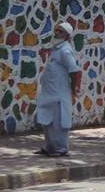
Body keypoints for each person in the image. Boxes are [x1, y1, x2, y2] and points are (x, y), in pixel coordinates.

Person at [35, 20, 82, 157]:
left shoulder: (65, 51)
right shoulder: (56, 49)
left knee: (58, 123)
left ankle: (60, 149)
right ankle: (50, 147)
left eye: (60, 31)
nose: (56, 33)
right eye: (56, 30)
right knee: (47, 120)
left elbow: (74, 71)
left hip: (59, 94)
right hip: (49, 93)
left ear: (67, 36)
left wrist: (74, 89)